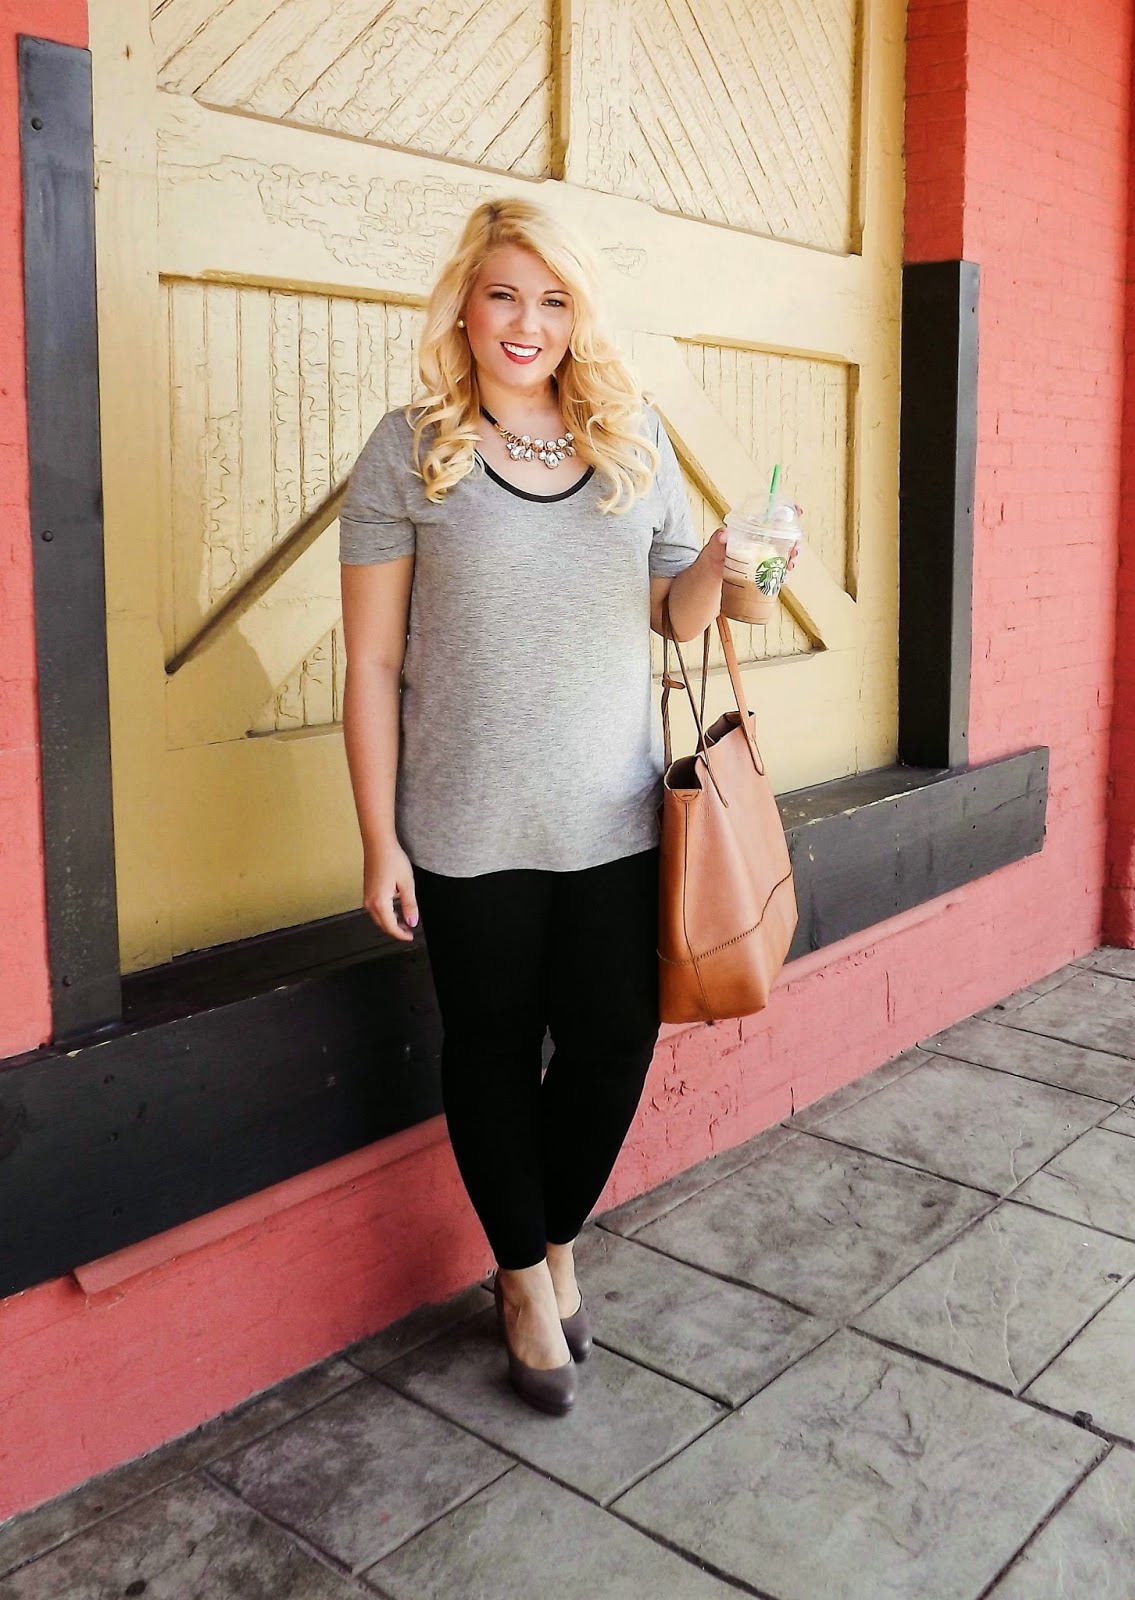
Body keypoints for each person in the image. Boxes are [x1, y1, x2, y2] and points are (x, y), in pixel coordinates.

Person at [338, 196, 730, 1416]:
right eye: (505, 293)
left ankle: (554, 1237)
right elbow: (371, 665)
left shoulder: (633, 437)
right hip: (468, 828)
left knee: (613, 1042)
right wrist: (379, 838)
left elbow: (677, 616)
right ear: (465, 303)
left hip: (615, 817)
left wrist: (732, 559)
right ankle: (521, 1275)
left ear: (577, 315)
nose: (527, 321)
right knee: (494, 1050)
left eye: (554, 299)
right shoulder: (410, 450)